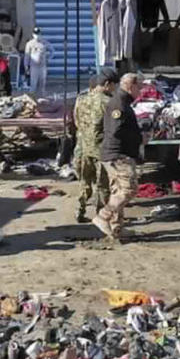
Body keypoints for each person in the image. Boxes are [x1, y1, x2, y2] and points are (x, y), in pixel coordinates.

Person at [93, 73, 143, 241]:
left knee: (117, 190)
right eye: (139, 87)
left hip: (115, 153)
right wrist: (139, 138)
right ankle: (103, 216)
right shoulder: (119, 103)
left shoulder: (122, 101)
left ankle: (117, 228)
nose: (141, 90)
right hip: (118, 154)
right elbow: (116, 130)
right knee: (129, 189)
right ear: (131, 86)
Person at [72, 69, 119, 223]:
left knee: (84, 181)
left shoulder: (81, 99)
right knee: (103, 185)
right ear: (106, 85)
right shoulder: (109, 102)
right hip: (101, 149)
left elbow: (76, 121)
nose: (115, 89)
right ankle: (101, 215)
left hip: (84, 147)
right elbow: (114, 127)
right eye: (114, 86)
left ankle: (79, 210)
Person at [23, 27, 53, 96]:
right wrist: (26, 66)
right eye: (35, 34)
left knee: (42, 85)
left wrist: (48, 58)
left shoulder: (44, 42)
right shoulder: (29, 44)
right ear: (33, 34)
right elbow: (27, 56)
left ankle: (42, 100)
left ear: (40, 34)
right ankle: (32, 99)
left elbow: (52, 50)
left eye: (38, 34)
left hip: (42, 67)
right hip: (34, 67)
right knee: (33, 85)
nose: (37, 36)